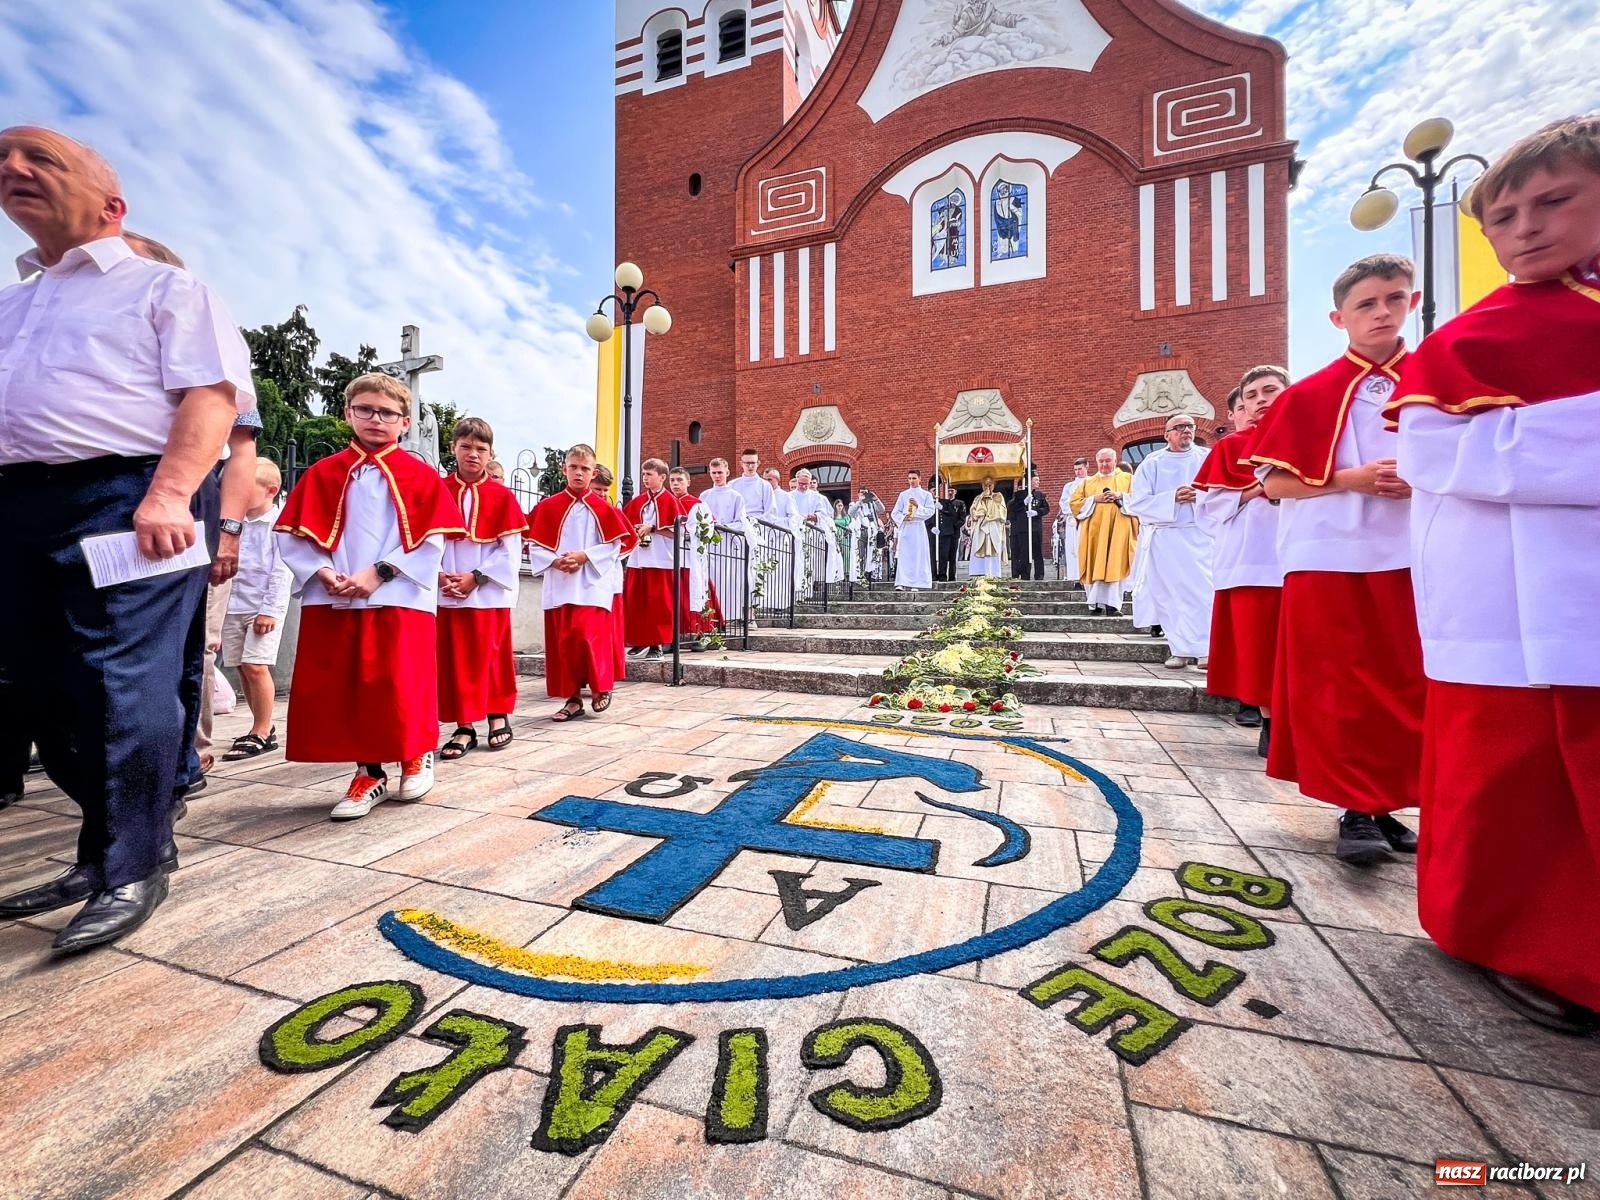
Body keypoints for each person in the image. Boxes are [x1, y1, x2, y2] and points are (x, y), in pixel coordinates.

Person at [0, 127, 253, 951]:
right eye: (3, 159)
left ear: (112, 205)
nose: (12, 169)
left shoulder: (165, 290)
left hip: (127, 497)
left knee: (120, 680)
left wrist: (172, 493)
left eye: (41, 159)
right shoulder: (14, 302)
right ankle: (104, 848)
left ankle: (134, 863)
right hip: (18, 499)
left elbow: (212, 399)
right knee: (37, 684)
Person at [1386, 115, 1600, 1033]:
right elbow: (1432, 447)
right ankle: (1527, 937)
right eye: (1503, 214)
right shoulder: (1476, 335)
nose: (1525, 227)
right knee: (1521, 770)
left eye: (1554, 201)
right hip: (1516, 586)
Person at [1249, 254, 1425, 866]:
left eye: (1393, 299)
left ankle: (1389, 802)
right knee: (1341, 683)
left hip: (1416, 550)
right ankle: (1355, 805)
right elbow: (1273, 484)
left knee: (1407, 679)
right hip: (1330, 554)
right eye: (1366, 304)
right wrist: (1349, 477)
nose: (1381, 312)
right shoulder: (1311, 394)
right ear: (1339, 317)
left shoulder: (1435, 379)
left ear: (1413, 301)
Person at [275, 374, 461, 818]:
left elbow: (432, 539)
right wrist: (321, 571)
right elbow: (290, 536)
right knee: (350, 686)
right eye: (365, 409)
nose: (376, 419)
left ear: (404, 421)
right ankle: (369, 771)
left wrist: (380, 572)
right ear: (348, 414)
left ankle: (416, 754)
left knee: (400, 679)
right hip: (334, 593)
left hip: (399, 593)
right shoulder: (323, 473)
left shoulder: (420, 475)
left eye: (388, 413)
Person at [121, 231, 259, 789]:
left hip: (176, 497)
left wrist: (227, 532)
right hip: (83, 497)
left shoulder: (197, 325)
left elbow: (239, 448)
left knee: (174, 643)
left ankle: (183, 757)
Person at [1195, 369, 1290, 738]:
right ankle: (1269, 721)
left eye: (1271, 390)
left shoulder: (1311, 436)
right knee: (1259, 647)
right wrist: (1257, 490)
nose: (1261, 400)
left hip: (1306, 552)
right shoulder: (1231, 448)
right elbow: (1209, 508)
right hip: (1251, 556)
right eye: (1252, 395)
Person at [525, 445, 638, 720]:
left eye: (585, 469)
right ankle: (572, 699)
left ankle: (601, 688)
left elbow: (615, 545)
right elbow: (532, 544)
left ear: (593, 472)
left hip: (590, 584)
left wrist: (584, 556)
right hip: (559, 583)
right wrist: (554, 561)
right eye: (573, 467)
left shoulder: (603, 508)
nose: (578, 473)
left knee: (589, 636)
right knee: (564, 643)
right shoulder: (547, 507)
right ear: (564, 469)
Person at [436, 417, 526, 761]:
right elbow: (426, 541)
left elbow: (510, 549)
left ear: (491, 454)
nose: (473, 454)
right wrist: (441, 575)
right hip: (447, 589)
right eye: (466, 446)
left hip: (486, 591)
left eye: (481, 449)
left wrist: (476, 576)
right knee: (454, 660)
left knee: (491, 656)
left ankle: (497, 713)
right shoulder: (438, 491)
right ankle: (464, 725)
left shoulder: (502, 496)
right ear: (453, 448)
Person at [218, 460, 292, 760]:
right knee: (241, 666)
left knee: (256, 666)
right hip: (233, 604)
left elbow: (281, 571)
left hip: (262, 608)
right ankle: (257, 725)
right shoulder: (232, 525)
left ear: (270, 491)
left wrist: (270, 611)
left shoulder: (278, 527)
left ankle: (263, 728)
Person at [1127, 416, 1213, 668]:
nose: (1185, 431)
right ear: (1167, 434)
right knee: (1169, 595)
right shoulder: (1152, 463)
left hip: (1199, 534)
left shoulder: (1206, 458)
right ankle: (1179, 648)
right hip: (1164, 538)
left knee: (1202, 593)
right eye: (1179, 428)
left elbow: (1222, 491)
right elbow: (1137, 503)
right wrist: (1171, 498)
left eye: (1189, 427)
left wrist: (1201, 495)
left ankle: (1206, 650)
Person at [622, 458, 688, 660]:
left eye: (649, 474)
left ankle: (656, 644)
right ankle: (639, 640)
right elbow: (625, 523)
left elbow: (681, 532)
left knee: (658, 604)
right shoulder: (638, 501)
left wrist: (653, 528)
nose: (645, 478)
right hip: (639, 559)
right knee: (636, 602)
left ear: (662, 477)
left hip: (661, 560)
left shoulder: (671, 502)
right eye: (643, 474)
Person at [1069, 449, 1138, 615]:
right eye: (1101, 461)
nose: (1105, 464)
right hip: (1094, 533)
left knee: (1115, 563)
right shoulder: (1088, 482)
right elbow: (1074, 504)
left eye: (1108, 461)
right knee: (1095, 563)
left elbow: (1140, 499)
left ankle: (1113, 605)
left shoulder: (1128, 479)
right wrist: (1095, 499)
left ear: (1115, 460)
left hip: (1119, 530)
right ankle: (1095, 604)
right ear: (1096, 462)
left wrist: (1120, 496)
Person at [700, 456, 758, 626]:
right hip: (710, 543)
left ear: (727, 472)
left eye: (720, 472)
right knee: (711, 579)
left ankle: (729, 617)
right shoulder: (704, 495)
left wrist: (723, 526)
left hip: (727, 542)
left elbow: (741, 521)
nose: (717, 476)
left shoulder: (735, 496)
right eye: (714, 473)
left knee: (729, 580)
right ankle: (712, 616)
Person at [669, 467, 719, 643]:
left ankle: (699, 631)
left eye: (679, 480)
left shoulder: (697, 504)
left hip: (690, 555)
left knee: (694, 591)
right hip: (670, 556)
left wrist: (690, 534)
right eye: (672, 480)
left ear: (688, 482)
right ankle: (676, 632)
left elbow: (707, 529)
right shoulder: (666, 502)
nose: (675, 483)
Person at [891, 469, 935, 589]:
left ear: (920, 479)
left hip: (918, 528)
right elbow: (895, 513)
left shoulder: (926, 495)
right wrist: (903, 518)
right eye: (909, 478)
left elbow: (930, 511)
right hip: (906, 528)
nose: (912, 481)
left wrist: (917, 506)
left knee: (918, 555)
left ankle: (916, 583)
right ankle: (902, 582)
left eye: (914, 478)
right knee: (905, 555)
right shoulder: (903, 495)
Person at [1008, 468, 1050, 580]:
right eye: (1036, 480)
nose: (1038, 482)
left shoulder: (1040, 495)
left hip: (1036, 527)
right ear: (1030, 481)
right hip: (1024, 528)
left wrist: (1037, 512)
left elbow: (1046, 508)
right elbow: (1013, 509)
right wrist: (1023, 502)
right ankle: (1025, 575)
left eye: (1038, 480)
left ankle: (1039, 575)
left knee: (1038, 553)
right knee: (1025, 553)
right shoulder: (1019, 495)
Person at [965, 476, 1008, 577]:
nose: (987, 487)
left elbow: (1002, 512)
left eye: (990, 485)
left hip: (993, 526)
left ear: (994, 485)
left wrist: (989, 514)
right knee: (979, 546)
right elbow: (973, 512)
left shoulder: (998, 496)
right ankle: (979, 572)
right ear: (982, 486)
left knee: (993, 547)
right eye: (985, 485)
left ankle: (993, 572)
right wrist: (982, 498)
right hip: (980, 528)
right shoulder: (978, 498)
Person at [1057, 458, 1089, 584]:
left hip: (1087, 518)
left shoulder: (1092, 482)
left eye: (1080, 469)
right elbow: (1064, 502)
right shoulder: (1069, 486)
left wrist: (1083, 510)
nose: (1077, 472)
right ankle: (1074, 576)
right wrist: (1074, 510)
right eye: (1075, 470)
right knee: (1072, 549)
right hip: (1072, 520)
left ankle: (1087, 575)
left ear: (1087, 467)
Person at [934, 481, 966, 581]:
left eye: (952, 490)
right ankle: (942, 575)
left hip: (954, 532)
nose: (950, 492)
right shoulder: (942, 502)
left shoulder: (960, 503)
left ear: (955, 492)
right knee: (943, 555)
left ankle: (952, 576)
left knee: (953, 556)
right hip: (944, 533)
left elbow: (962, 518)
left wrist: (954, 527)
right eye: (949, 490)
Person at [729, 448, 775, 518]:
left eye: (753, 463)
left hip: (760, 525)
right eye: (747, 463)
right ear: (741, 463)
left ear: (758, 463)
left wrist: (756, 523)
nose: (750, 466)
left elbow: (770, 511)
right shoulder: (732, 485)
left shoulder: (765, 485)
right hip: (737, 524)